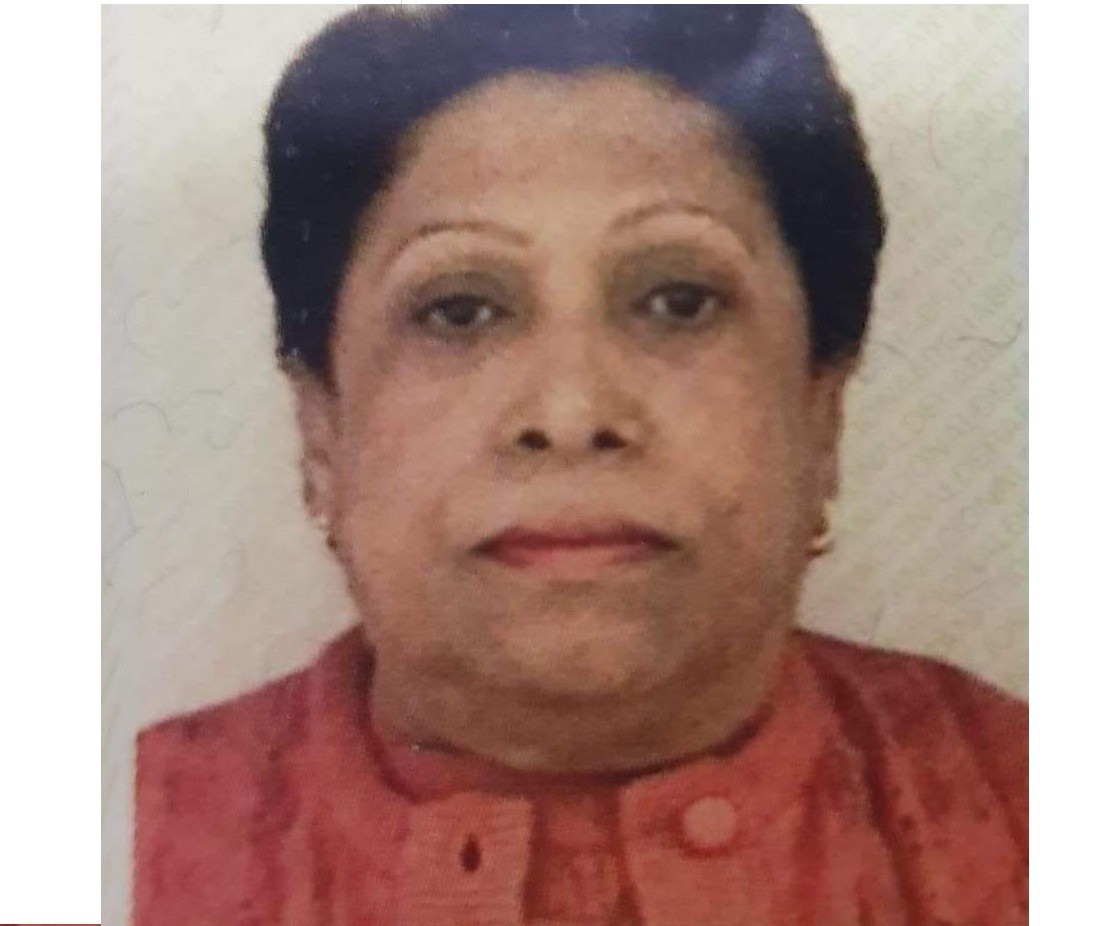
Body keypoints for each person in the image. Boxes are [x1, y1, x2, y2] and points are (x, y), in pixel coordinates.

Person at [134, 7, 1027, 925]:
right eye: (460, 311)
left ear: (819, 413)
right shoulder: (114, 835)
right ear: (322, 432)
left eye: (678, 301)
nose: (570, 415)